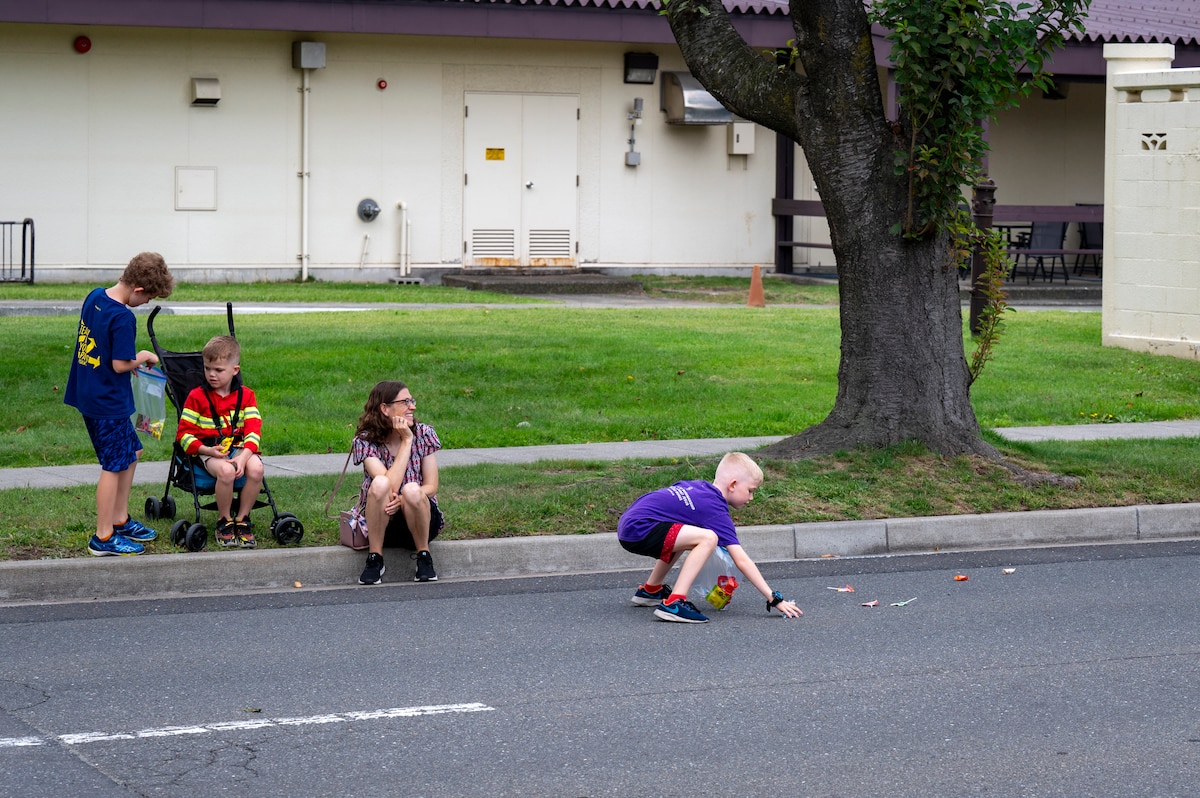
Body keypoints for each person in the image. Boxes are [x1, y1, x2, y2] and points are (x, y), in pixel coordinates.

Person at [64, 251, 175, 556]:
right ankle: (103, 537)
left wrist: (129, 359)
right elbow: (119, 364)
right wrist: (142, 357)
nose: (147, 303)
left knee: (133, 451)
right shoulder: (123, 317)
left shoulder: (95, 297)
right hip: (106, 403)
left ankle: (120, 518)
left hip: (89, 393)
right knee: (113, 466)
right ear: (138, 290)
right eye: (149, 298)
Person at [617, 452, 803, 624]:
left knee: (687, 533)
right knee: (708, 538)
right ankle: (675, 603)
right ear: (733, 484)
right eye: (750, 490)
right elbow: (742, 560)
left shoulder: (698, 487)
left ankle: (651, 590)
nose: (751, 497)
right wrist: (774, 598)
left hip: (629, 524)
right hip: (639, 530)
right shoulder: (715, 510)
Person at [351, 380, 444, 585]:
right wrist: (406, 443)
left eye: (412, 401)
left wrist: (403, 499)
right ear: (385, 408)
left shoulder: (424, 434)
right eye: (405, 402)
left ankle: (424, 558)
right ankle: (375, 558)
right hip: (383, 524)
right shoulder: (365, 440)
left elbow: (431, 486)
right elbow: (387, 485)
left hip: (423, 520)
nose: (413, 406)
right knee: (381, 484)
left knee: (413, 489)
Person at [175, 335, 264, 548]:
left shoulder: (246, 396)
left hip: (237, 448)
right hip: (208, 448)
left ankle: (242, 519)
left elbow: (254, 431)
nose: (211, 374)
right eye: (207, 369)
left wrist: (243, 458)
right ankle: (224, 519)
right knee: (226, 471)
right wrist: (207, 449)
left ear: (235, 370)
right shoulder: (197, 396)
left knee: (257, 469)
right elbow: (183, 435)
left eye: (219, 370)